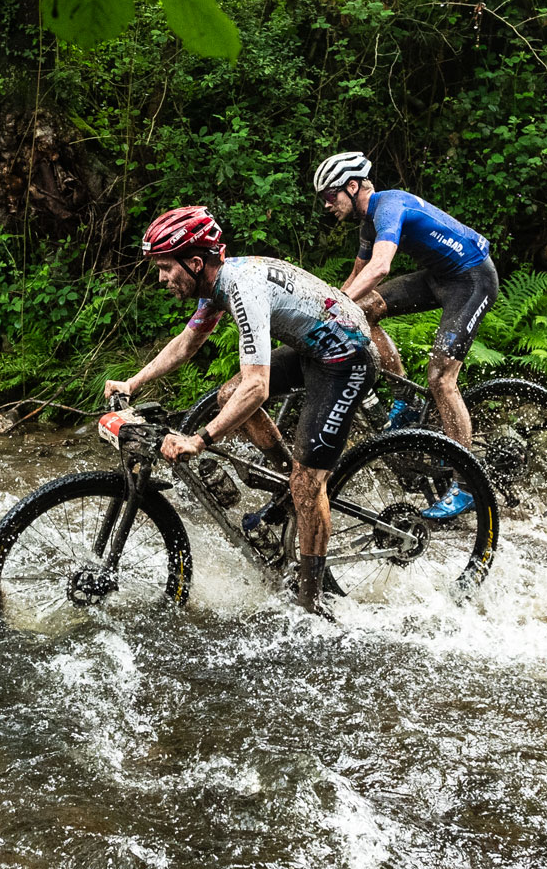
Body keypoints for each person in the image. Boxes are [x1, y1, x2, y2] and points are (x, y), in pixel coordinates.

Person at [103, 205, 374, 616]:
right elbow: (187, 343)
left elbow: (258, 387)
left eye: (164, 267)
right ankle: (288, 478)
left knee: (307, 481)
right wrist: (132, 383)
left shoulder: (242, 288)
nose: (161, 279)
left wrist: (200, 439)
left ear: (194, 262)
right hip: (313, 347)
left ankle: (311, 602)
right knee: (228, 397)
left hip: (346, 358)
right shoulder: (216, 283)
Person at [313, 151, 495, 520]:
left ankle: (466, 483)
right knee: (365, 309)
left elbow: (381, 266)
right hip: (438, 277)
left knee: (441, 379)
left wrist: (341, 304)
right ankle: (404, 397)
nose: (327, 205)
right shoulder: (368, 224)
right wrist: (322, 311)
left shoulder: (389, 205)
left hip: (472, 279)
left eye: (330, 196)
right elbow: (355, 282)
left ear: (352, 186)